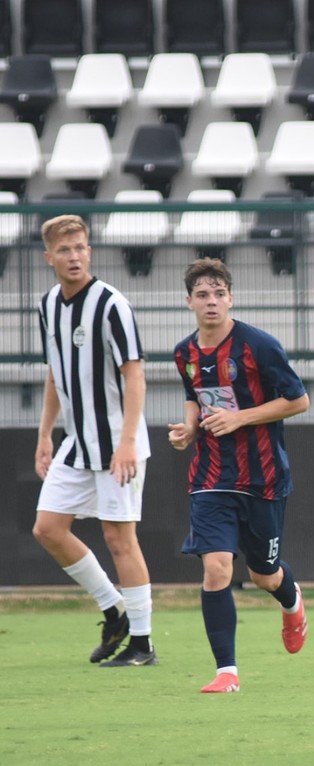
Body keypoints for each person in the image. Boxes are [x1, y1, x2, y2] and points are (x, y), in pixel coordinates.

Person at [168, 258, 310, 694]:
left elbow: (299, 401)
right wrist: (189, 428)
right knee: (216, 568)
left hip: (263, 477)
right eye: (203, 295)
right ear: (188, 301)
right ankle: (226, 671)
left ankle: (293, 604)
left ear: (231, 297)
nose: (212, 302)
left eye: (219, 294)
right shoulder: (184, 353)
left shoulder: (259, 346)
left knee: (266, 575)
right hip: (211, 476)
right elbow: (196, 395)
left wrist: (240, 418)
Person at [32, 214, 157, 667]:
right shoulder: (47, 305)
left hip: (116, 444)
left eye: (80, 247)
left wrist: (126, 443)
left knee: (120, 538)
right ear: (49, 258)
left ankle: (143, 644)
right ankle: (114, 609)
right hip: (75, 443)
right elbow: (55, 373)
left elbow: (136, 374)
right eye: (64, 250)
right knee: (48, 529)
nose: (74, 256)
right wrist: (46, 433)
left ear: (90, 251)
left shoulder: (111, 304)